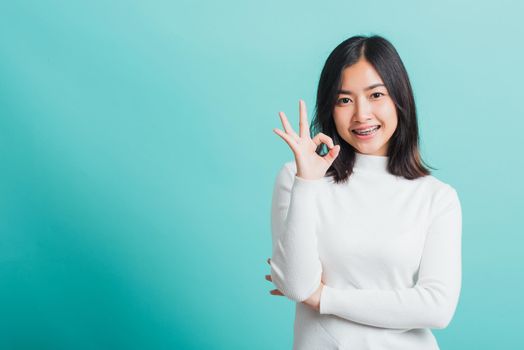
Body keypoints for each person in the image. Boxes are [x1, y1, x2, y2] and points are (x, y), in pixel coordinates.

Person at [265, 35, 462, 349]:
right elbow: (299, 286)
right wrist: (308, 182)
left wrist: (325, 298)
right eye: (344, 99)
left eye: (376, 95)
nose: (361, 114)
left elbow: (437, 308)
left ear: (400, 98)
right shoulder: (298, 178)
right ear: (329, 106)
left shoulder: (436, 197)